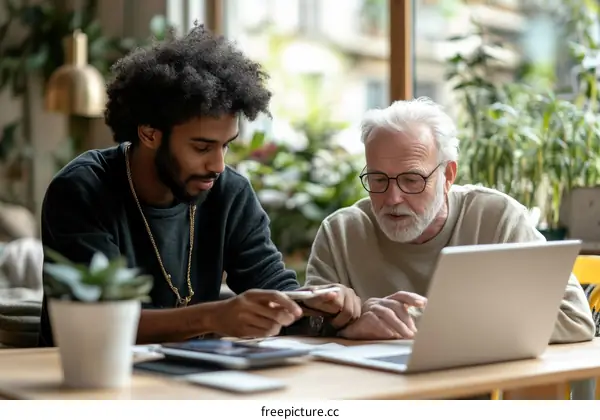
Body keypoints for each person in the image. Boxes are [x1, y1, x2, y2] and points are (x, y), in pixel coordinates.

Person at [37, 25, 360, 347]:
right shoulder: (82, 189)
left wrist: (319, 305)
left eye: (226, 145)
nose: (218, 165)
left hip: (187, 379)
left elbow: (272, 284)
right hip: (86, 377)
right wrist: (213, 317)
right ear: (149, 134)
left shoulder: (229, 193)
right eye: (202, 148)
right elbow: (98, 321)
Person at [305, 97, 595, 343]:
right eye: (378, 179)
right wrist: (346, 326)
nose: (392, 198)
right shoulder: (340, 232)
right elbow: (305, 329)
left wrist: (435, 323)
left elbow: (575, 320)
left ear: (448, 176)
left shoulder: (496, 219)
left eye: (411, 179)